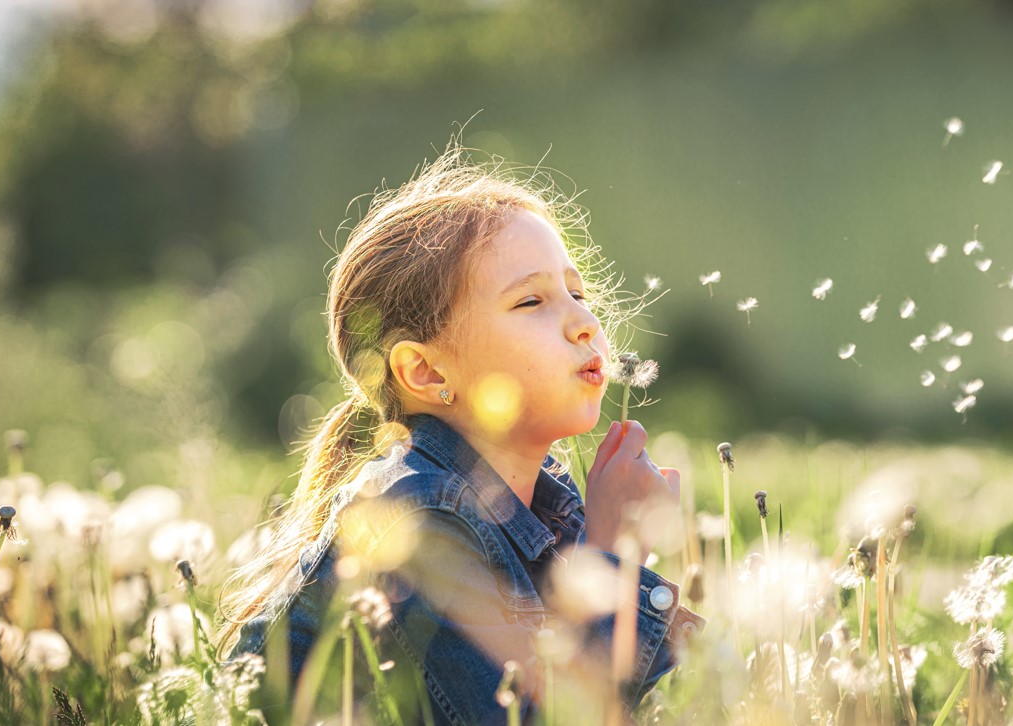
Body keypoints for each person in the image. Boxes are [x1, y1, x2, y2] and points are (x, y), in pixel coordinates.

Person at [214, 140, 704, 724]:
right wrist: (611, 551)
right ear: (426, 371)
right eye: (531, 301)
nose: (584, 322)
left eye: (578, 292)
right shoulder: (417, 518)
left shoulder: (539, 504)